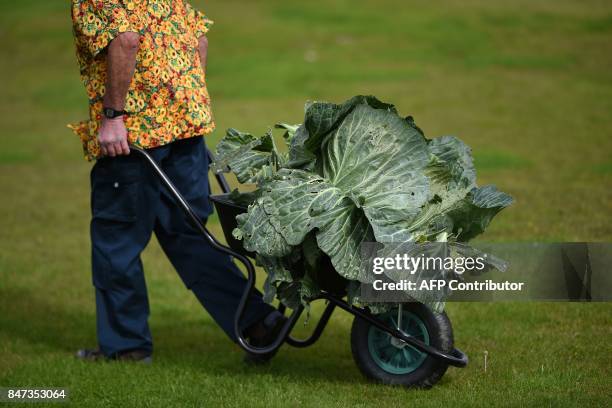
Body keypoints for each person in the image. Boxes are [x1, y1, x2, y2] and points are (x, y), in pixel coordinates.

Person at [69, 0, 283, 364]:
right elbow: (198, 41)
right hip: (185, 133)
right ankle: (258, 321)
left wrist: (112, 116)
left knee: (115, 241)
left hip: (133, 140)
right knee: (189, 235)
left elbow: (126, 39)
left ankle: (126, 348)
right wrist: (183, 109)